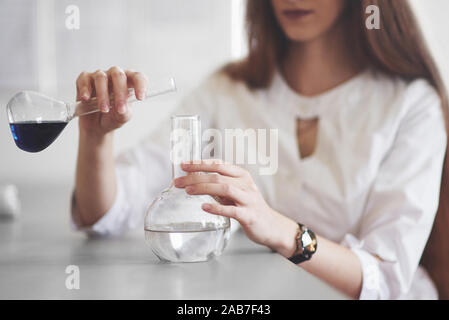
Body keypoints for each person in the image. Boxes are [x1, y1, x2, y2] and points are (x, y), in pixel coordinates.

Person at [71, 0, 449, 299]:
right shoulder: (228, 90)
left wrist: (279, 229)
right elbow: (104, 214)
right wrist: (96, 137)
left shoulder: (411, 104)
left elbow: (383, 278)